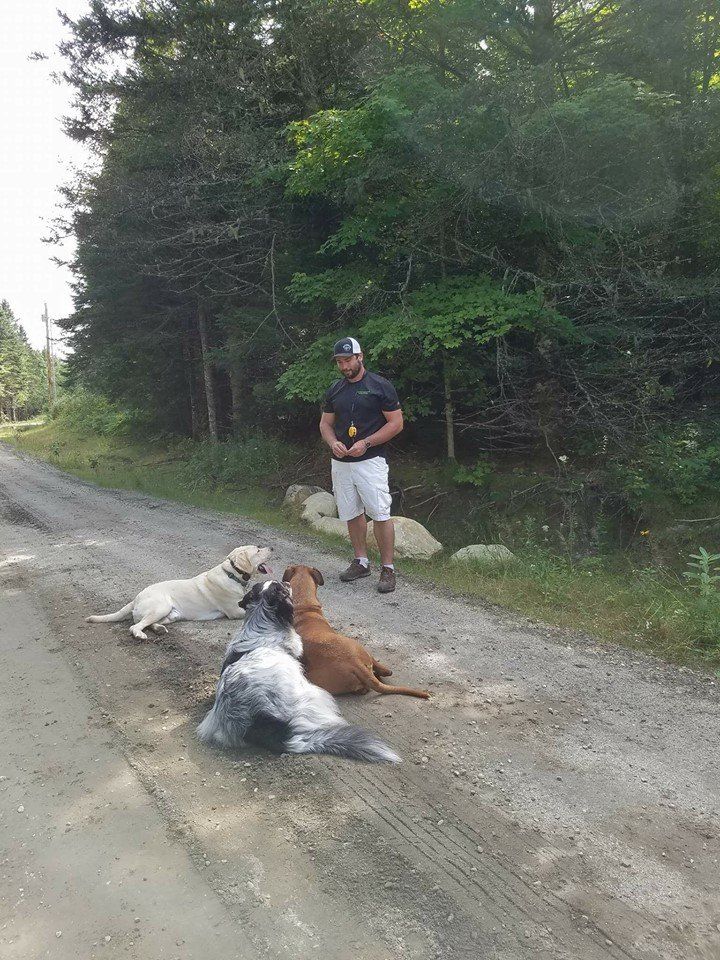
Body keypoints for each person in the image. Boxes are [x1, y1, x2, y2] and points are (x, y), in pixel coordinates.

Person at [319, 337, 404, 593]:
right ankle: (361, 561)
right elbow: (325, 424)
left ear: (360, 357)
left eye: (348, 360)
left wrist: (366, 443)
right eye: (340, 362)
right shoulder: (335, 389)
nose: (344, 366)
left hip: (370, 460)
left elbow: (396, 424)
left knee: (379, 513)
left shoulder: (380, 386)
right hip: (342, 461)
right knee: (351, 511)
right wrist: (332, 442)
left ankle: (388, 568)